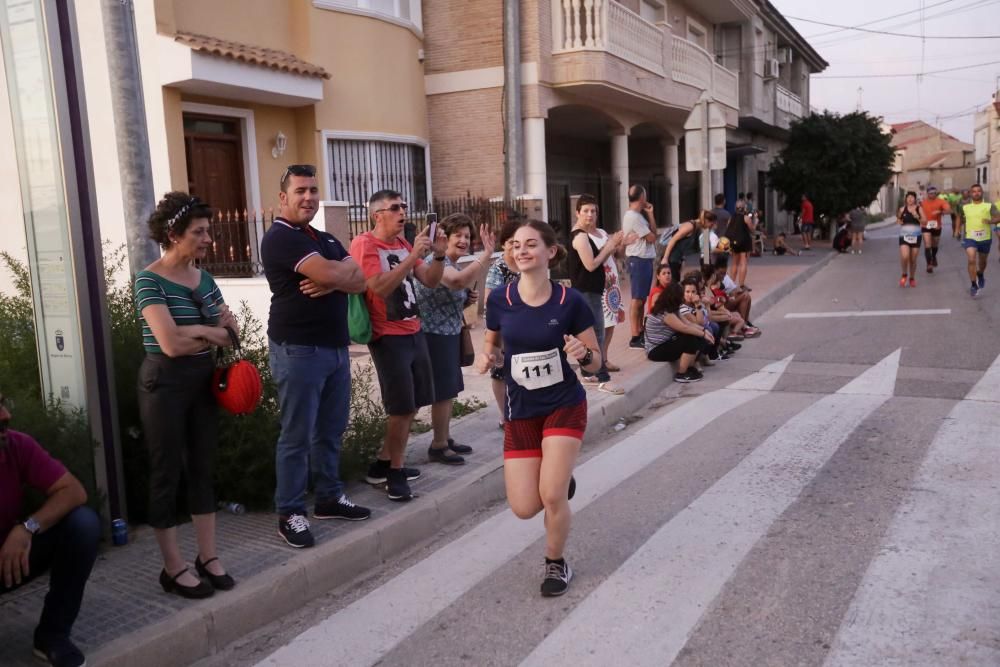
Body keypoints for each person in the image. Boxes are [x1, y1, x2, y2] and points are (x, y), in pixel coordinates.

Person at [477, 220, 601, 597]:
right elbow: (493, 343)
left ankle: (555, 562)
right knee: (524, 507)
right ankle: (560, 480)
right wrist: (488, 356)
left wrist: (584, 355)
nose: (521, 250)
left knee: (551, 496)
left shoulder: (570, 302)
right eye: (515, 245)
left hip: (563, 404)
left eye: (531, 244)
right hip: (521, 408)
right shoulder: (499, 299)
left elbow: (597, 363)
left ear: (551, 251)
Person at [261, 165, 371, 550]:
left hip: (335, 349)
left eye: (313, 189)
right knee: (296, 436)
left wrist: (333, 279)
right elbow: (340, 273)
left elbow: (360, 279)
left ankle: (328, 496)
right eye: (300, 190)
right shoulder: (280, 238)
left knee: (331, 430)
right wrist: (337, 276)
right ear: (283, 198)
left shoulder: (322, 237)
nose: (308, 197)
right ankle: (289, 511)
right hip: (298, 350)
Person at [135, 192, 238, 595]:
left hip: (201, 382)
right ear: (174, 234)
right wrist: (208, 332)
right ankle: (173, 566)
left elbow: (232, 336)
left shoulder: (204, 279)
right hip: (164, 383)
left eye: (207, 231)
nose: (208, 239)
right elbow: (169, 346)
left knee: (201, 468)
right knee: (166, 473)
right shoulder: (149, 280)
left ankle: (207, 557)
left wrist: (196, 331)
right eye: (199, 232)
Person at [351, 190, 448, 502]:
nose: (402, 211)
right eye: (395, 207)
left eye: (404, 205)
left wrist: (440, 255)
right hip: (387, 335)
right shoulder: (365, 243)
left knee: (415, 400)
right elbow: (377, 287)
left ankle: (382, 463)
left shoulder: (404, 243)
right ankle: (395, 471)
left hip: (413, 329)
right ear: (377, 214)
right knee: (400, 407)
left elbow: (430, 280)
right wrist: (411, 256)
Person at [0, 393, 100, 667]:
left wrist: (26, 528)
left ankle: (52, 636)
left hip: (9, 559)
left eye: (2, 403)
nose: (6, 415)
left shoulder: (16, 446)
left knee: (83, 525)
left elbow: (73, 491)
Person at [414, 213, 496, 465]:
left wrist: (465, 301)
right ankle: (438, 445)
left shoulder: (451, 262)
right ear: (443, 238)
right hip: (432, 336)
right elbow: (457, 281)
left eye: (467, 236)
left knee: (447, 392)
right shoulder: (434, 261)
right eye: (457, 235)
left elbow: (453, 291)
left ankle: (444, 437)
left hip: (446, 335)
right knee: (441, 391)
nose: (463, 240)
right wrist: (486, 254)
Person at [567, 194, 626, 395]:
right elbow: (591, 265)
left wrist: (617, 244)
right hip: (586, 292)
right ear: (577, 213)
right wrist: (609, 246)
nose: (590, 215)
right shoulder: (580, 236)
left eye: (593, 211)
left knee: (588, 335)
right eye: (586, 211)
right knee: (597, 334)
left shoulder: (585, 234)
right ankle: (603, 378)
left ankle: (587, 373)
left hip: (590, 291)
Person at [484, 219, 521, 428]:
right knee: (500, 372)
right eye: (511, 243)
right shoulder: (497, 268)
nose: (516, 247)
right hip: (502, 328)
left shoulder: (526, 263)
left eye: (519, 243)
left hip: (525, 326)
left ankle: (520, 409)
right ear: (503, 244)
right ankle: (504, 415)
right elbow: (491, 301)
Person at [644, 282, 711, 383]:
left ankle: (690, 367)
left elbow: (688, 323)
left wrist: (704, 331)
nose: (682, 299)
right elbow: (684, 328)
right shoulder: (664, 312)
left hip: (666, 343)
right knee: (689, 338)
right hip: (655, 350)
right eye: (680, 297)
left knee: (696, 336)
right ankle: (681, 374)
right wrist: (703, 334)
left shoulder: (673, 309)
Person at [622, 185, 658, 349]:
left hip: (644, 259)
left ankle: (640, 332)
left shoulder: (639, 216)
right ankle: (634, 336)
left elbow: (653, 234)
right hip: (638, 260)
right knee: (637, 299)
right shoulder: (633, 217)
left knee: (642, 299)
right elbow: (652, 238)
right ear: (642, 197)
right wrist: (649, 219)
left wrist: (650, 214)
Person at [960, 183, 1000, 298]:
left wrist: (990, 221)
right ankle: (973, 284)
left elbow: (998, 217)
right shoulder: (965, 206)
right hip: (970, 238)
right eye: (974, 191)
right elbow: (959, 217)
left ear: (982, 193)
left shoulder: (988, 206)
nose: (976, 193)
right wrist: (957, 230)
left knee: (982, 262)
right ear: (970, 193)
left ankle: (980, 273)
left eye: (978, 191)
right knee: (971, 259)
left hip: (985, 238)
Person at [663, 210, 717, 281]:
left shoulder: (703, 230)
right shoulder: (690, 226)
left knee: (676, 283)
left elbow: (705, 253)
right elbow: (673, 240)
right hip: (672, 258)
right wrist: (665, 258)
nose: (711, 227)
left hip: (678, 259)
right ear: (706, 221)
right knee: (672, 284)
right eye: (711, 224)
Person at [896, 191, 925, 288]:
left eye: (912, 197)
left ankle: (912, 278)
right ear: (906, 199)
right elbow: (898, 219)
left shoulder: (919, 209)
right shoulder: (902, 209)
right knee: (905, 256)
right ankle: (904, 274)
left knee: (913, 259)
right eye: (908, 197)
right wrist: (899, 221)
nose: (910, 199)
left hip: (916, 236)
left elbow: (925, 221)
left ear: (915, 199)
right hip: (904, 235)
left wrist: (917, 216)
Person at [920, 185, 949, 272]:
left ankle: (933, 256)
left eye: (934, 193)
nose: (932, 195)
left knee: (935, 245)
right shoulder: (923, 202)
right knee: (927, 245)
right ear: (927, 193)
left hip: (936, 226)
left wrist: (940, 211)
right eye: (930, 193)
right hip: (925, 226)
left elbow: (949, 210)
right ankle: (929, 264)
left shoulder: (941, 201)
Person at [727, 203, 755, 289]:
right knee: (743, 262)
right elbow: (752, 229)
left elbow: (728, 228)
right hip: (744, 242)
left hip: (734, 243)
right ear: (744, 208)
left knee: (734, 263)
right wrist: (755, 222)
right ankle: (741, 285)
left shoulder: (731, 218)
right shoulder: (746, 218)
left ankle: (731, 284)